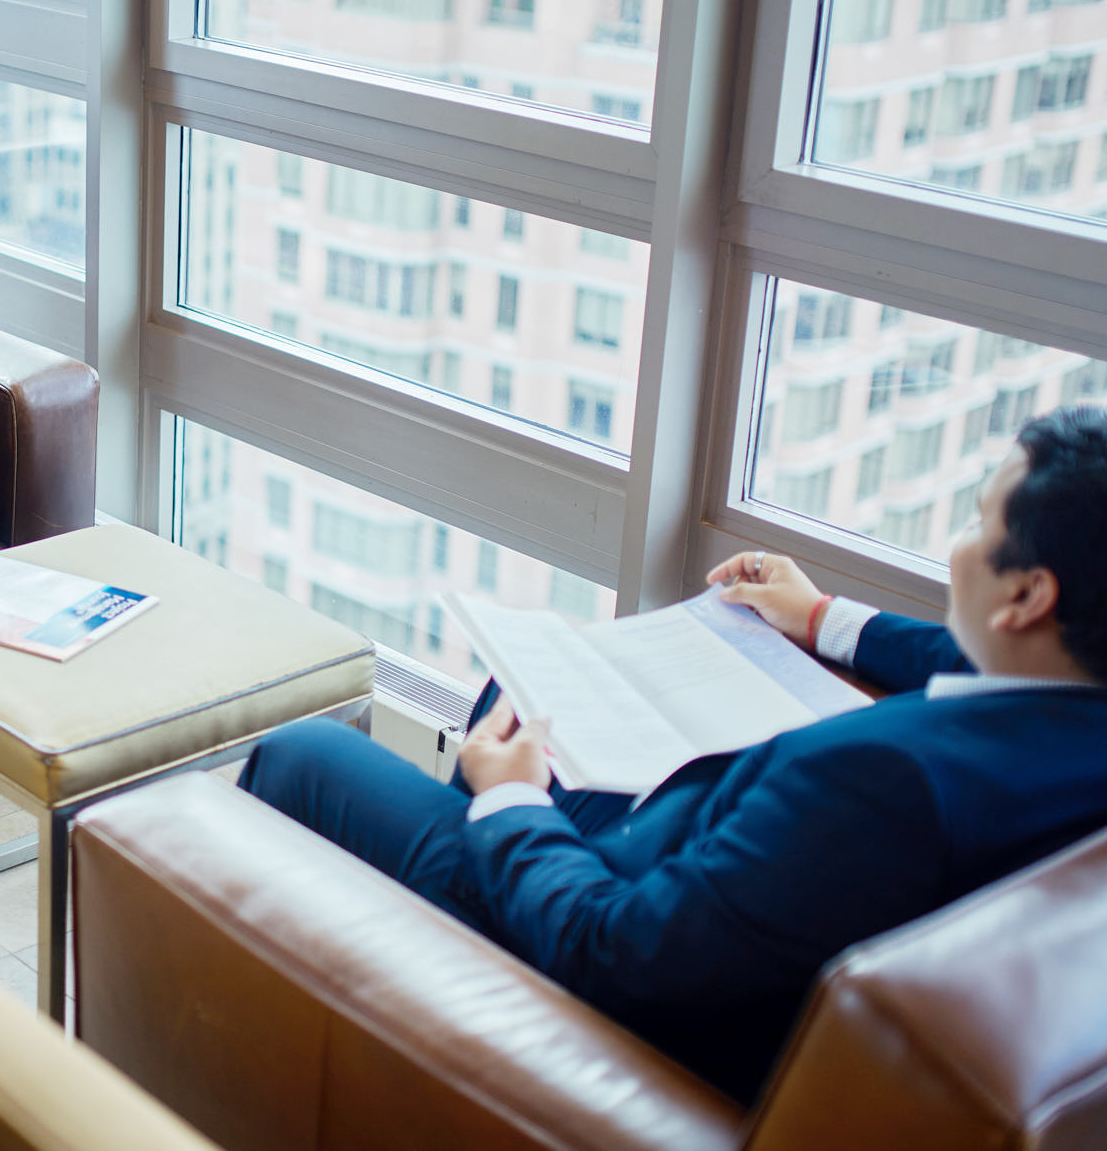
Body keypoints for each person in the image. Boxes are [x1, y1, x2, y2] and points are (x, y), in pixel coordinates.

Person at [240, 406, 1107, 1101]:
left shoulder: (885, 787)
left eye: (979, 520)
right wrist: (821, 617)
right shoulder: (1074, 716)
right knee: (515, 697)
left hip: (608, 961)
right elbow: (975, 660)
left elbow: (613, 955)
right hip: (722, 901)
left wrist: (511, 803)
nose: (959, 542)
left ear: (1028, 594)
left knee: (305, 756)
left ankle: (423, 940)